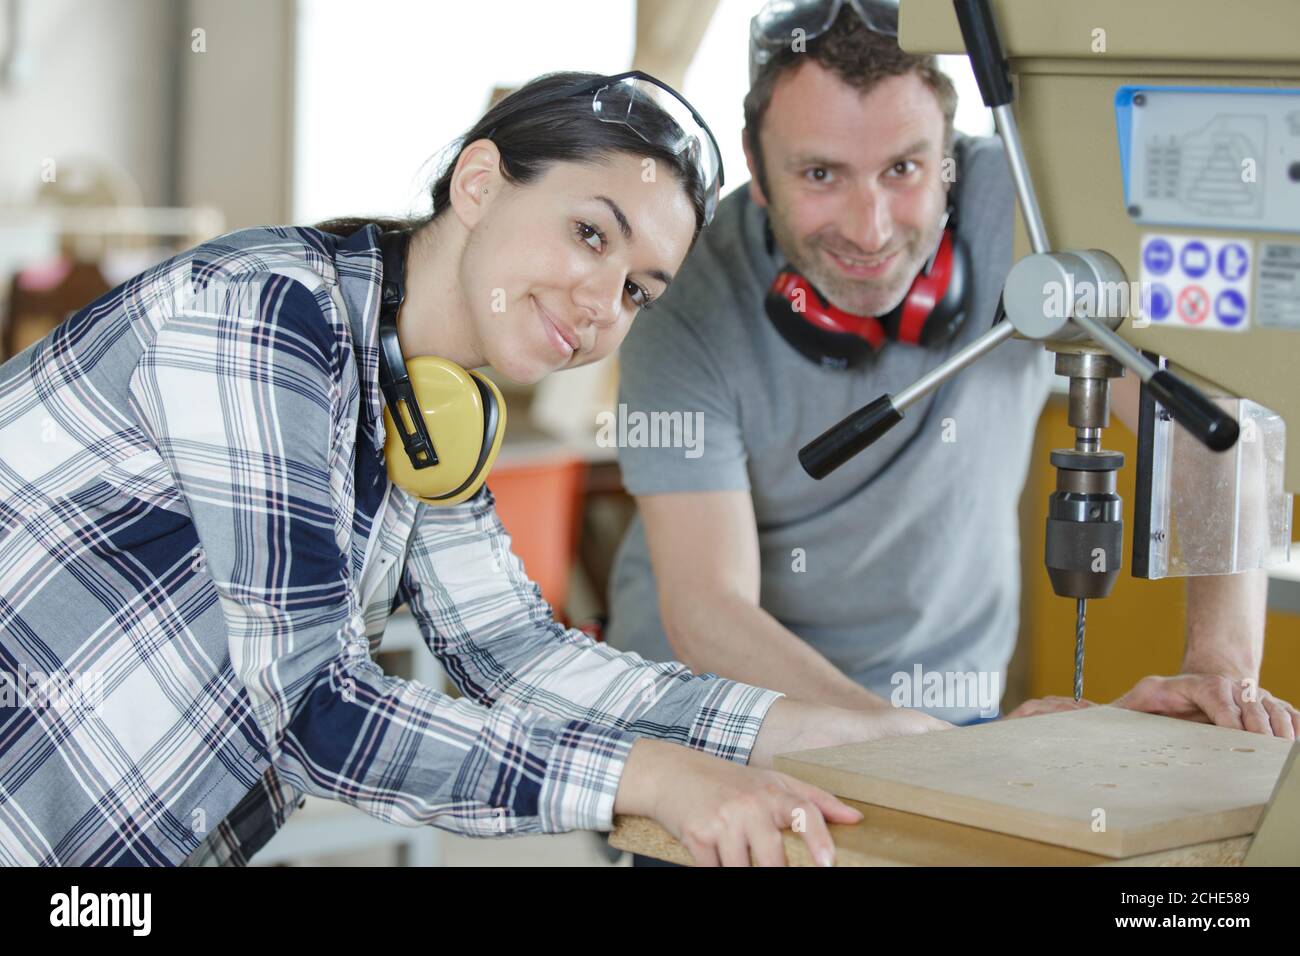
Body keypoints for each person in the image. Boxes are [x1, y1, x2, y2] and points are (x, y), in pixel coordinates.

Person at [0, 69, 947, 869]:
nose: (601, 305)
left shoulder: (428, 397)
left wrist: (846, 731)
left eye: (636, 290)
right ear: (480, 182)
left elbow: (518, 657)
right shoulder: (261, 315)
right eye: (590, 233)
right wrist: (650, 776)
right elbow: (314, 712)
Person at [606, 3, 1299, 739]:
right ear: (756, 167)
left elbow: (1207, 435)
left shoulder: (1033, 209)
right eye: (820, 173)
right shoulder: (682, 286)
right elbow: (709, 608)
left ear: (950, 159)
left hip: (944, 700)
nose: (870, 229)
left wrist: (1220, 669)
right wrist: (920, 747)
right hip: (720, 718)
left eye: (903, 168)